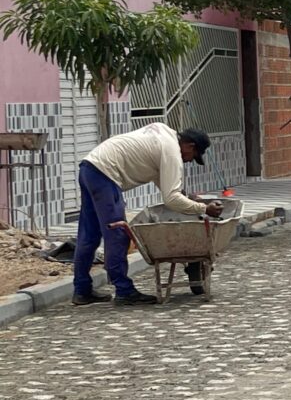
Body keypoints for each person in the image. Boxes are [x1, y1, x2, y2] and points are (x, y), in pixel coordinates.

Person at [72, 124, 221, 307]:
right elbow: (171, 199)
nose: (188, 161)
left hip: (89, 168)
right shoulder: (172, 151)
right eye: (192, 156)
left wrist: (188, 198)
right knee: (118, 233)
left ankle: (81, 290)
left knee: (89, 234)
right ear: (189, 145)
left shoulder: (162, 133)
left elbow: (167, 185)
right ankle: (124, 291)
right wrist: (204, 209)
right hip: (106, 174)